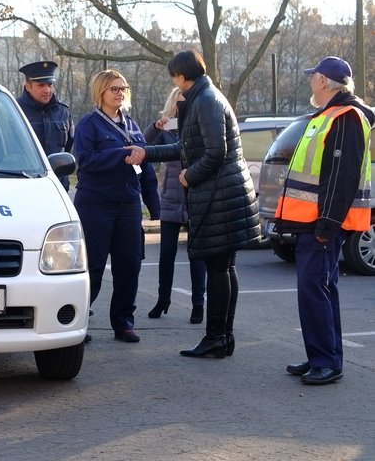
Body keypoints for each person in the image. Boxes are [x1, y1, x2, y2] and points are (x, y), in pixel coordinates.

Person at [130, 50, 260, 359]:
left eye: (173, 75)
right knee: (224, 266)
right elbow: (185, 145)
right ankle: (222, 338)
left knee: (219, 266)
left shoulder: (205, 101)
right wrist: (146, 152)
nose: (173, 81)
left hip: (220, 195)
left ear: (180, 75)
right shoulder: (205, 96)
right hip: (225, 194)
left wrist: (190, 174)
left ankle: (217, 337)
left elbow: (215, 152)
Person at [275, 56, 373, 385]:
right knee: (319, 290)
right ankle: (322, 356)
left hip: (322, 224)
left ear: (322, 81)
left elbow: (340, 179)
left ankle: (326, 361)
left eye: (311, 78)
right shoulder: (329, 115)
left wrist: (327, 226)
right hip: (314, 222)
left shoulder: (344, 117)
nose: (309, 83)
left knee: (315, 290)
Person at [73, 69, 160, 343]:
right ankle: (78, 320)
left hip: (128, 205)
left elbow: (145, 168)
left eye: (123, 88)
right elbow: (85, 160)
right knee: (94, 265)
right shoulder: (89, 124)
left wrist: (154, 205)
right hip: (97, 203)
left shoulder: (132, 125)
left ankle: (123, 322)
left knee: (129, 264)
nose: (120, 93)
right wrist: (121, 154)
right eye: (114, 89)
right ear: (101, 92)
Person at [143, 87, 205, 324]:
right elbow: (143, 145)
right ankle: (163, 299)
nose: (183, 105)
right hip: (170, 196)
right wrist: (156, 127)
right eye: (179, 101)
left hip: (195, 195)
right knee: (166, 253)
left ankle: (198, 304)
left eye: (186, 101)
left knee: (196, 253)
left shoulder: (200, 123)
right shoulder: (167, 127)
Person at [15, 61, 74, 190]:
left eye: (50, 84)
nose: (47, 90)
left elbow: (67, 149)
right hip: (24, 184)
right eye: (41, 85)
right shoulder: (15, 111)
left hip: (57, 186)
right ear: (28, 86)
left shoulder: (63, 112)